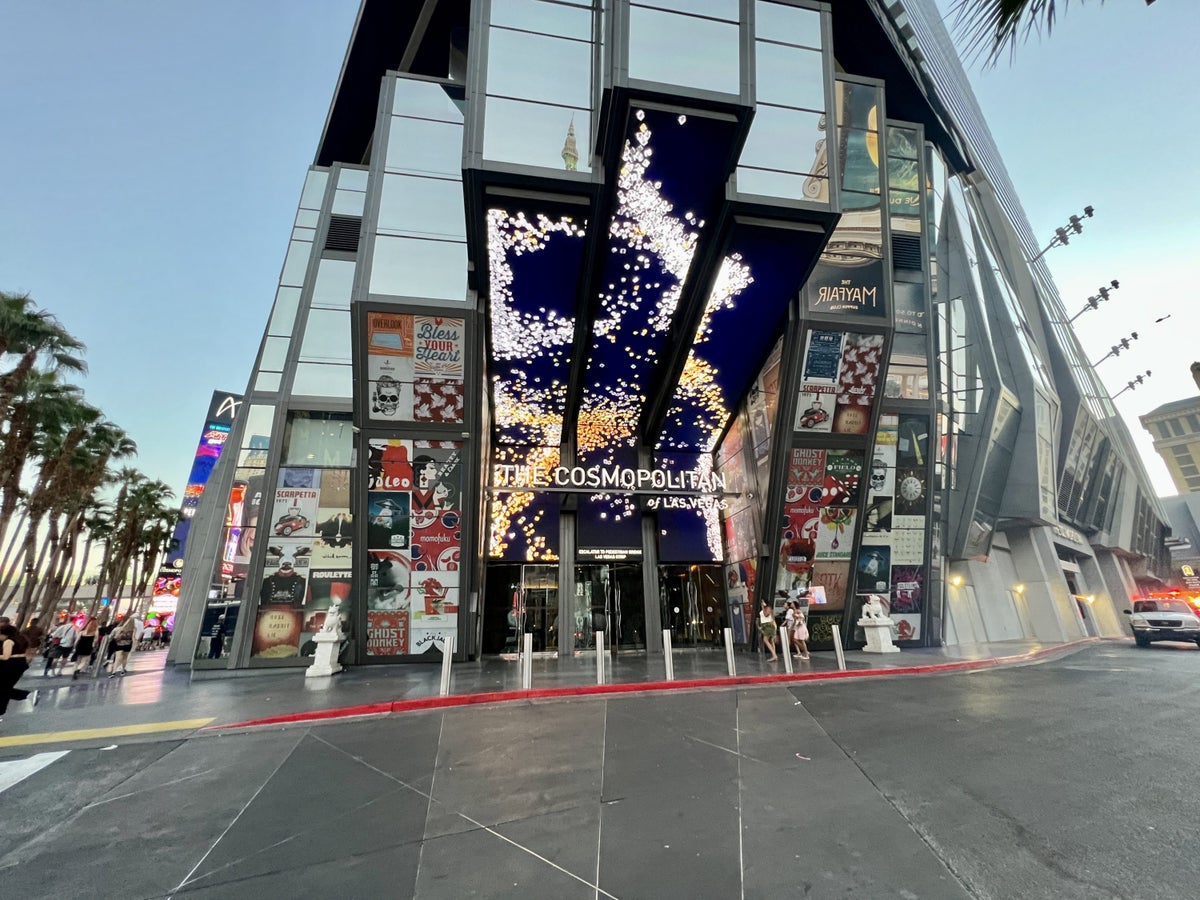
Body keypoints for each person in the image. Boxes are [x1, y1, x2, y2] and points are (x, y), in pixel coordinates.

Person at [0, 624, 34, 721]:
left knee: (4, 689)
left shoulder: (8, 641)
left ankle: (26, 695)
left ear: (5, 634)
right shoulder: (21, 639)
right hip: (19, 664)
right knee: (5, 689)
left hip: (9, 666)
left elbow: (6, 656)